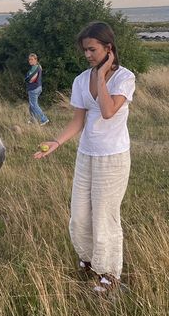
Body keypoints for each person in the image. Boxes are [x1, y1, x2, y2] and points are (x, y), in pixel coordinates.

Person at [35, 22, 135, 295]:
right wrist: (56, 142)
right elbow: (78, 120)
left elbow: (107, 111)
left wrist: (102, 76)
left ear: (108, 48)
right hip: (86, 155)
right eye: (85, 50)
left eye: (92, 49)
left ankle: (110, 275)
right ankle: (90, 262)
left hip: (113, 157)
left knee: (105, 216)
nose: (88, 55)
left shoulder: (125, 77)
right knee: (79, 216)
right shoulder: (80, 80)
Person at [25, 53, 49, 125]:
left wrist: (26, 79)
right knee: (31, 106)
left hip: (34, 88)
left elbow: (30, 79)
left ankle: (44, 119)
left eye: (32, 59)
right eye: (29, 59)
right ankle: (33, 120)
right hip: (37, 87)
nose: (30, 61)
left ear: (36, 60)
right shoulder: (37, 67)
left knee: (34, 105)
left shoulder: (35, 67)